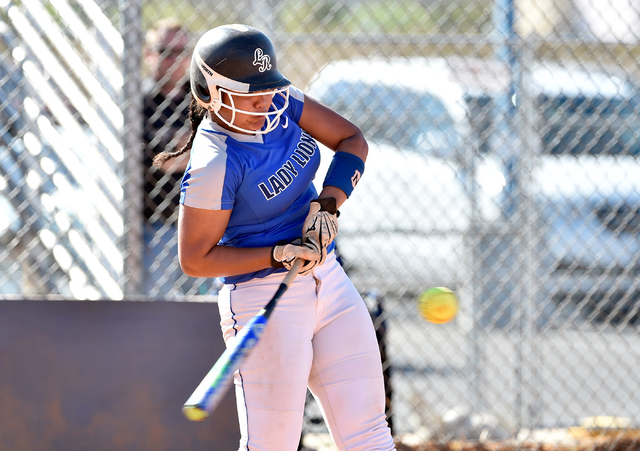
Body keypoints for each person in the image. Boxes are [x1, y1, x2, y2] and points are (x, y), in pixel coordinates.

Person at [154, 24, 396, 451]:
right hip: (263, 296)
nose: (265, 102)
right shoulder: (215, 161)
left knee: (369, 435)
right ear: (211, 94)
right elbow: (195, 260)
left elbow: (351, 140)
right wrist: (277, 254)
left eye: (265, 89)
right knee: (273, 445)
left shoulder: (281, 100)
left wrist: (328, 204)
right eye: (249, 95)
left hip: (329, 280)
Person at [141, 18, 205, 296]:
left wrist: (182, 150)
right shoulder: (141, 102)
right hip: (157, 224)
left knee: (208, 311)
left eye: (181, 52)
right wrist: (199, 148)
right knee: (157, 309)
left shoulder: (200, 98)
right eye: (165, 51)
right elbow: (160, 162)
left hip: (205, 224)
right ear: (149, 54)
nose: (173, 60)